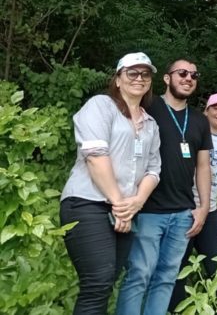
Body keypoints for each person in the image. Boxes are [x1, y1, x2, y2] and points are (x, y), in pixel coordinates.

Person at [60, 52, 161, 315]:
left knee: (105, 284)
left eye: (145, 74)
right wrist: (120, 204)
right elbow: (95, 156)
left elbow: (154, 169)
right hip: (87, 203)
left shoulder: (151, 124)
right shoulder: (100, 106)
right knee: (98, 281)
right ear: (117, 79)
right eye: (132, 73)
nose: (139, 78)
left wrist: (136, 203)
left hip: (124, 211)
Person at [116, 58, 213, 315]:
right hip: (147, 208)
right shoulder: (149, 106)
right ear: (167, 78)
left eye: (194, 74)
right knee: (139, 275)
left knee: (167, 277)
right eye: (182, 73)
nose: (188, 78)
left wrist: (203, 207)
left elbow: (203, 167)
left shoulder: (200, 120)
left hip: (183, 213)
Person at [170, 92, 217, 310]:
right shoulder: (191, 133)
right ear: (206, 111)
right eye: (216, 108)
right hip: (184, 209)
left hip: (210, 212)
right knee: (176, 269)